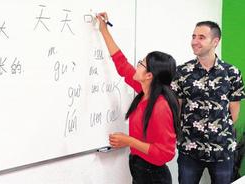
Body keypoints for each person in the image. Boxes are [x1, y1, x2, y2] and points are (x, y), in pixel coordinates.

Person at [96, 12, 181, 184]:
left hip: (153, 175)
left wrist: (128, 141)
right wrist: (103, 30)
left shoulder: (160, 105)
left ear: (149, 75)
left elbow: (165, 153)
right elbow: (121, 64)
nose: (137, 65)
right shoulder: (146, 90)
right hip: (140, 168)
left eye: (141, 64)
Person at [171, 21, 245, 184]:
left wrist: (215, 133)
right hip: (189, 149)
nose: (194, 41)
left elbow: (234, 112)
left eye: (201, 37)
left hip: (222, 150)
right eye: (193, 36)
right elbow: (178, 108)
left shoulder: (231, 73)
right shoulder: (182, 72)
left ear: (215, 41)